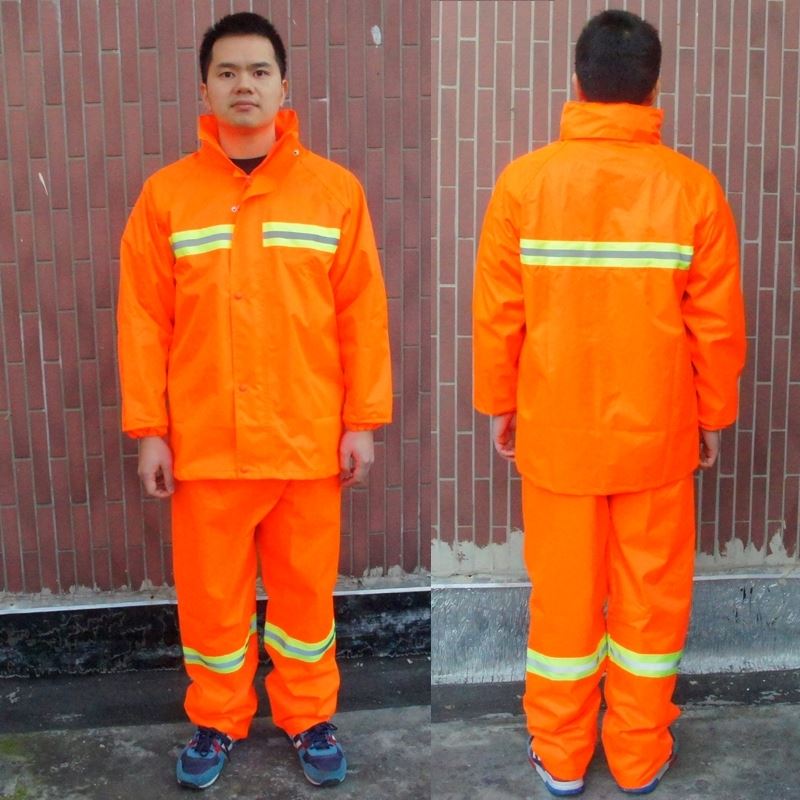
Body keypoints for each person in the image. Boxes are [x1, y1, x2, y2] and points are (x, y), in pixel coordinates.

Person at [473, 9, 745, 797]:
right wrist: (713, 416)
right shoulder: (693, 190)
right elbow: (716, 324)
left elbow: (498, 314)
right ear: (654, 90)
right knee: (649, 605)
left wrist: (500, 404)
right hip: (658, 437)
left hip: (557, 438)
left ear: (576, 82)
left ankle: (561, 755)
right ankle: (637, 753)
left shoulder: (524, 184)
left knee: (563, 604)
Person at [117, 12, 391, 791]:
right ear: (204, 88)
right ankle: (216, 718)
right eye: (228, 72)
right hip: (205, 443)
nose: (245, 85)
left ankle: (309, 717)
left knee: (305, 598)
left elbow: (361, 315)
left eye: (259, 71)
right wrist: (150, 429)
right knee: (212, 603)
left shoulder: (333, 193)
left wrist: (362, 422)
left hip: (307, 440)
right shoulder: (168, 197)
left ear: (284, 86)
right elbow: (143, 321)